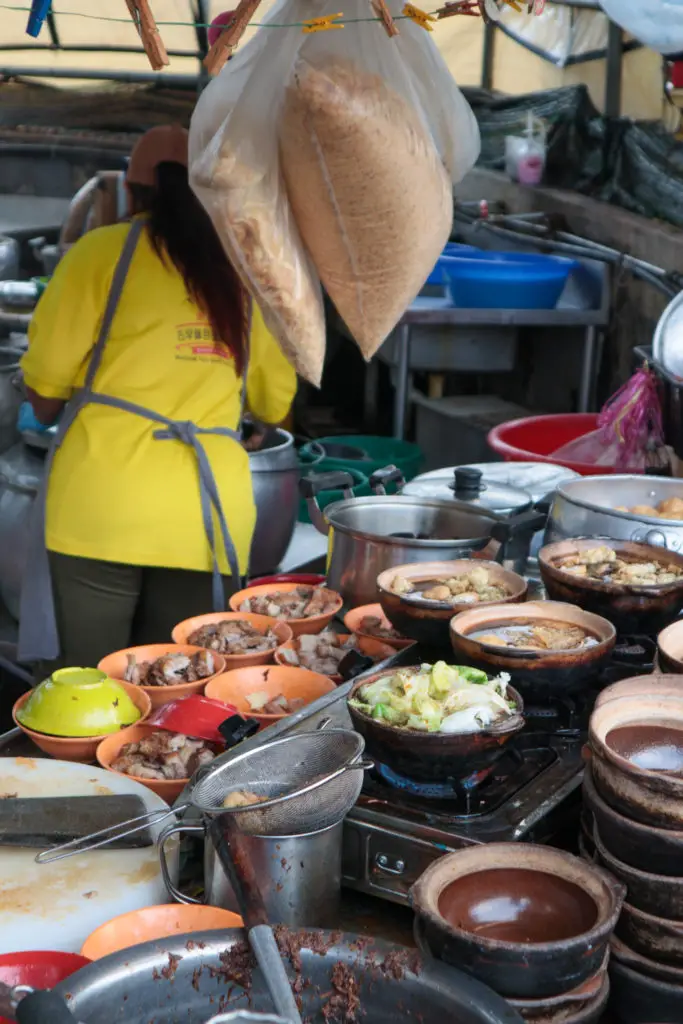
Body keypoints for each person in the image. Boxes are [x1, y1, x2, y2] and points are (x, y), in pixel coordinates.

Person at [19, 124, 297, 670]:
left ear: (133, 189)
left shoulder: (99, 253)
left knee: (92, 683)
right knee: (177, 685)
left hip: (99, 504)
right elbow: (274, 403)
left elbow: (45, 387)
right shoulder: (246, 271)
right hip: (205, 513)